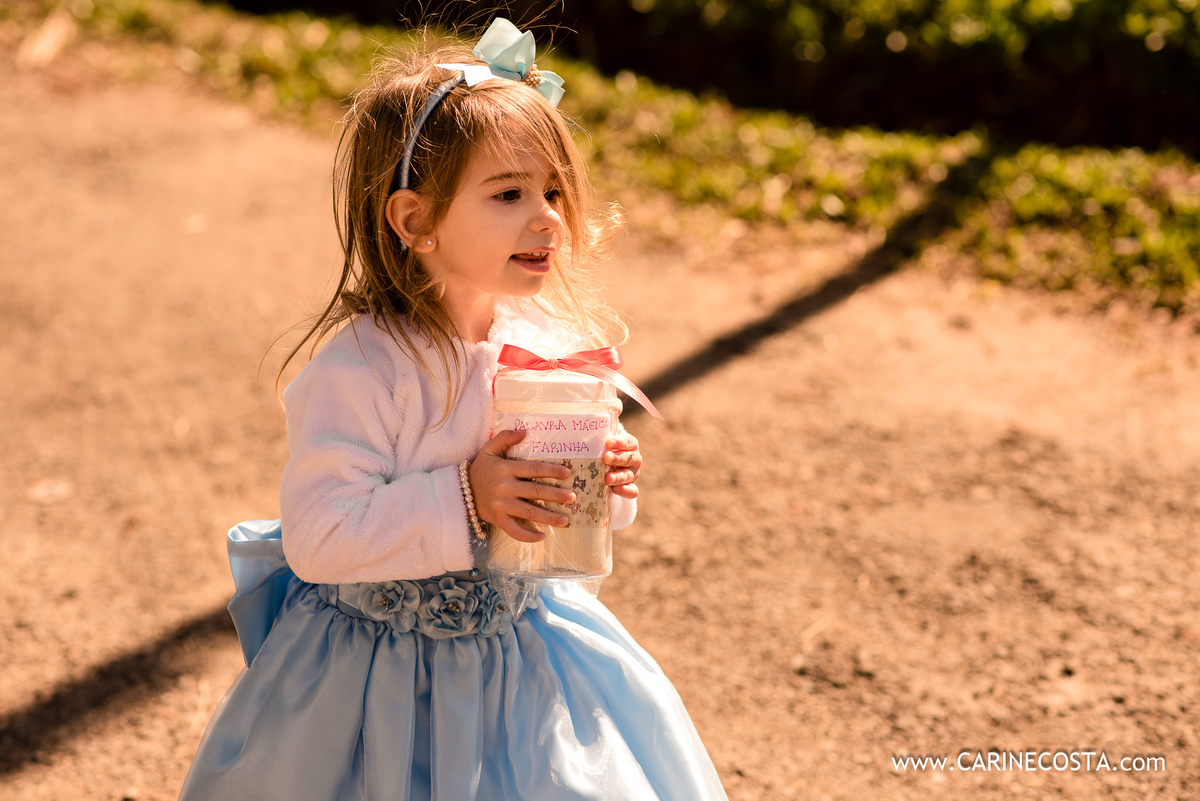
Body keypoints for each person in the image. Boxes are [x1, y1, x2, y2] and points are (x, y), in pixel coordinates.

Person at [178, 17, 728, 801]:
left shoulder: (547, 346)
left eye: (552, 191)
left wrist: (603, 482)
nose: (547, 218)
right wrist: (467, 495)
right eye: (508, 194)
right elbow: (319, 536)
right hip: (378, 683)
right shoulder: (364, 369)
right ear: (416, 221)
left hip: (523, 662)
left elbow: (561, 529)